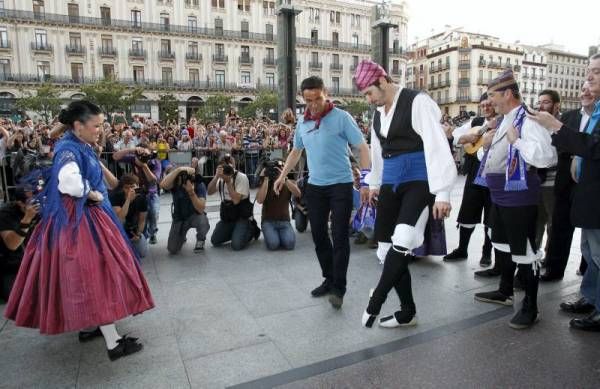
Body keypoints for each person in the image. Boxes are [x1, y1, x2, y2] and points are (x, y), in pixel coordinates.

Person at [4, 101, 154, 360]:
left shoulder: (76, 145)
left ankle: (91, 326)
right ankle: (114, 343)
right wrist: (93, 192)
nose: (100, 129)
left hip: (83, 218)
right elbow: (69, 183)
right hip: (82, 221)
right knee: (97, 278)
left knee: (92, 278)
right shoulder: (68, 149)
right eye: (96, 125)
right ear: (77, 125)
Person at [353, 60, 456, 328]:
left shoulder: (417, 101)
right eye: (364, 94)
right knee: (386, 251)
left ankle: (377, 297)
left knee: (405, 238)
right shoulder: (377, 114)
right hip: (390, 183)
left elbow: (436, 144)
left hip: (419, 180)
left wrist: (443, 192)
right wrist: (373, 183)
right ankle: (407, 311)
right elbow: (377, 151)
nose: (368, 99)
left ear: (383, 81)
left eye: (369, 92)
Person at [274, 76, 371, 309]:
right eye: (308, 100)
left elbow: (363, 147)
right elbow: (296, 151)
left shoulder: (341, 118)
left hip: (341, 184)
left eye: (317, 98)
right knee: (318, 234)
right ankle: (329, 278)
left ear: (325, 93)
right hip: (316, 186)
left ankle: (339, 287)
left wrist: (366, 181)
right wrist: (282, 175)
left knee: (339, 235)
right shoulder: (302, 122)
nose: (313, 104)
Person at [473, 70, 557, 329]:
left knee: (525, 251)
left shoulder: (529, 120)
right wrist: (485, 145)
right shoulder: (505, 119)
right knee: (501, 242)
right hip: (500, 195)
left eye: (492, 96)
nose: (489, 102)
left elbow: (547, 157)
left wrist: (517, 141)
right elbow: (492, 157)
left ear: (508, 93)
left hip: (519, 197)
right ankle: (505, 290)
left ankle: (530, 306)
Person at [528, 53, 600, 330]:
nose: (589, 77)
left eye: (596, 71)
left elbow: (594, 147)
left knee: (597, 253)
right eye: (589, 70)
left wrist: (556, 126)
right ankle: (591, 297)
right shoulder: (596, 111)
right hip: (587, 192)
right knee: (589, 250)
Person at [540, 83, 595, 281]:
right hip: (565, 182)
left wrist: (578, 153)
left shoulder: (597, 119)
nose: (585, 92)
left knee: (590, 232)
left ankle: (587, 270)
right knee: (560, 226)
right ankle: (554, 270)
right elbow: (557, 143)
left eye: (590, 89)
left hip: (590, 183)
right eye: (582, 89)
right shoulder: (569, 117)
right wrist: (576, 155)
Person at [443, 94, 497, 268]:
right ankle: (462, 249)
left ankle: (487, 252)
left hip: (495, 174)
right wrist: (470, 138)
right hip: (475, 172)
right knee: (468, 210)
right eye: (483, 105)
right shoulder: (475, 122)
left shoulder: (503, 121)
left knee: (491, 215)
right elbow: (456, 136)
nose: (486, 107)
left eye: (489, 104)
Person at [112, 144, 161, 244]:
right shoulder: (134, 158)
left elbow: (153, 180)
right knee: (140, 215)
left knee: (154, 212)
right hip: (137, 191)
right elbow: (115, 156)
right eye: (141, 154)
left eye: (146, 154)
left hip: (151, 193)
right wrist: (132, 149)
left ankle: (153, 232)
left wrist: (144, 165)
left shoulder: (155, 162)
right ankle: (141, 234)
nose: (143, 157)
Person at [208, 154, 256, 251]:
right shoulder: (220, 178)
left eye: (229, 166)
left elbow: (236, 200)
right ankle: (236, 232)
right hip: (228, 217)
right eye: (224, 166)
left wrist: (228, 182)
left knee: (236, 245)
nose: (227, 169)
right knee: (215, 240)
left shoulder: (241, 177)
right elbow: (209, 191)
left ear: (234, 165)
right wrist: (216, 176)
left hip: (242, 216)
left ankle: (251, 230)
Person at [160, 164, 210, 254]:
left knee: (203, 221)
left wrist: (191, 192)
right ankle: (181, 236)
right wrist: (179, 169)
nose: (184, 179)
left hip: (194, 215)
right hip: (179, 219)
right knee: (172, 249)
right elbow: (163, 185)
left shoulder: (198, 184)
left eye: (185, 176)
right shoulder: (174, 184)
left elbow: (201, 209)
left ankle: (201, 239)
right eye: (181, 176)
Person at [0, 187, 39, 301]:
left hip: (35, 261)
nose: (36, 204)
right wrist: (27, 219)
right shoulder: (5, 214)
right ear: (19, 203)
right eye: (31, 201)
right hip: (12, 265)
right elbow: (12, 244)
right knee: (16, 296)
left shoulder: (41, 210)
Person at [256, 159, 300, 250]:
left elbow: (298, 194)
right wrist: (266, 178)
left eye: (278, 169)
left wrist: (285, 178)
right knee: (273, 244)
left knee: (290, 244)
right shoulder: (265, 181)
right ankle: (272, 235)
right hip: (268, 221)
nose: (276, 172)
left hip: (284, 221)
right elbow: (259, 200)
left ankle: (276, 235)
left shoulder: (288, 180)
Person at [109, 174, 149, 258]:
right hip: (120, 227)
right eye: (126, 187)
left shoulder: (142, 198)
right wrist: (128, 200)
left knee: (143, 253)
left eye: (132, 187)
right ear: (122, 188)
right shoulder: (115, 196)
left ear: (137, 186)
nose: (130, 190)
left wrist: (138, 234)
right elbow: (120, 217)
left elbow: (142, 220)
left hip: (134, 228)